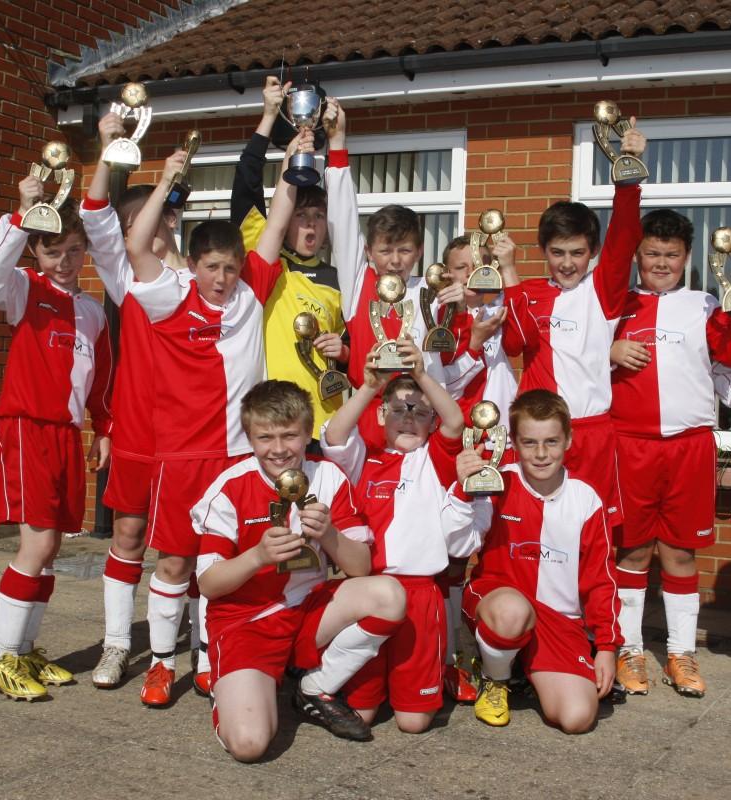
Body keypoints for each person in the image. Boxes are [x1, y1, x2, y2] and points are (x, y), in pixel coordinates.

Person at [122, 134, 306, 707]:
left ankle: (207, 657)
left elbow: (276, 222)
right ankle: (159, 664)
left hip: (236, 459)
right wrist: (167, 178)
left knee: (223, 563)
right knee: (175, 561)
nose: (222, 278)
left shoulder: (252, 291)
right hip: (181, 456)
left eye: (229, 267)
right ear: (194, 264)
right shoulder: (168, 297)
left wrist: (296, 159)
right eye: (212, 268)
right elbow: (135, 244)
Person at [195, 380, 407, 760]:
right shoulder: (229, 487)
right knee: (249, 745)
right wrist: (257, 557)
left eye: (290, 436)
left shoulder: (328, 476)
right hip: (247, 623)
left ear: (307, 432)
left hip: (308, 609)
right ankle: (230, 685)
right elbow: (209, 584)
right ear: (249, 437)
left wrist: (329, 535)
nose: (278, 449)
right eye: (265, 437)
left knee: (389, 594)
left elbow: (361, 568)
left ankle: (314, 686)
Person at [608, 209, 731, 698]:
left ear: (688, 257)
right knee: (632, 550)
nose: (661, 262)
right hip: (628, 444)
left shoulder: (706, 303)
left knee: (679, 551)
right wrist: (606, 351)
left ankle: (680, 653)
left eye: (671, 255)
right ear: (637, 254)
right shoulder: (614, 303)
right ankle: (629, 650)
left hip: (690, 445)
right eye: (652, 253)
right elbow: (572, 355)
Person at [0, 179, 112, 701]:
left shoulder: (93, 312)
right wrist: (22, 213)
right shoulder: (24, 288)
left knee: (52, 548)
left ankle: (25, 648)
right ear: (37, 249)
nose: (65, 260)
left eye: (75, 249)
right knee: (35, 544)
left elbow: (100, 382)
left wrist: (105, 430)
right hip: (26, 426)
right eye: (54, 249)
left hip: (66, 436)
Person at [79, 113, 190, 690]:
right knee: (128, 536)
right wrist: (106, 148)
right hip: (139, 434)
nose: (133, 232)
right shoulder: (129, 279)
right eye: (128, 224)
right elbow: (93, 215)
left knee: (185, 547)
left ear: (169, 218)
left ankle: (178, 643)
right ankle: (118, 645)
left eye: (144, 219)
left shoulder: (205, 279)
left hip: (193, 437)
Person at [321, 343, 479, 733]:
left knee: (414, 722)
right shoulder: (365, 457)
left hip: (421, 596)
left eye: (420, 413)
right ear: (380, 414)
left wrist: (423, 373)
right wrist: (370, 386)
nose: (408, 420)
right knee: (363, 713)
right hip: (371, 593)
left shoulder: (435, 459)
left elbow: (456, 422)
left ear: (430, 421)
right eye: (399, 411)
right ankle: (342, 680)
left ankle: (430, 675)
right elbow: (336, 434)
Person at [499, 119, 647, 528]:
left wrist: (628, 174)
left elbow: (625, 236)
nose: (567, 263)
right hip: (539, 433)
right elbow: (514, 343)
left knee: (591, 531)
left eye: (578, 253)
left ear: (593, 252)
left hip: (592, 432)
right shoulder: (526, 290)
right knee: (529, 527)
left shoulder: (602, 290)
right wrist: (510, 276)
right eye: (557, 252)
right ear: (543, 250)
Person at [448, 390, 619, 732]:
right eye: (529, 443)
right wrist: (463, 489)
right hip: (499, 603)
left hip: (558, 621)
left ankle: (520, 668)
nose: (541, 454)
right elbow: (455, 545)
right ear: (514, 442)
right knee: (513, 612)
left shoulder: (586, 500)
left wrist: (607, 646)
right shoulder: (498, 482)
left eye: (551, 442)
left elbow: (602, 580)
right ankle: (497, 679)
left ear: (568, 440)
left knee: (577, 718)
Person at [323, 101, 481, 443]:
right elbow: (342, 220)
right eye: (385, 250)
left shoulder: (434, 292)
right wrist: (337, 144)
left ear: (420, 251)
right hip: (371, 417)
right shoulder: (359, 283)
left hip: (423, 419)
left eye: (405, 250)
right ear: (367, 252)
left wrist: (463, 307)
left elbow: (459, 359)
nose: (395, 260)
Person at [231, 76, 348, 444]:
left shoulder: (340, 277)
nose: (310, 227)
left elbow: (357, 352)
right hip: (274, 427)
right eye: (301, 216)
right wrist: (267, 118)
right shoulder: (265, 261)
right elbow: (245, 186)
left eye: (318, 217)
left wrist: (342, 351)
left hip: (327, 425)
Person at [434, 235, 515, 702]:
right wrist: (472, 340)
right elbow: (439, 383)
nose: (473, 276)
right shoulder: (442, 319)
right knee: (455, 557)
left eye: (481, 266)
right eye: (463, 268)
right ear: (448, 277)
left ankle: (500, 655)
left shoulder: (501, 309)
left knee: (501, 553)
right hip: (462, 450)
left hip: (507, 449)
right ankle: (452, 657)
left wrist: (504, 268)